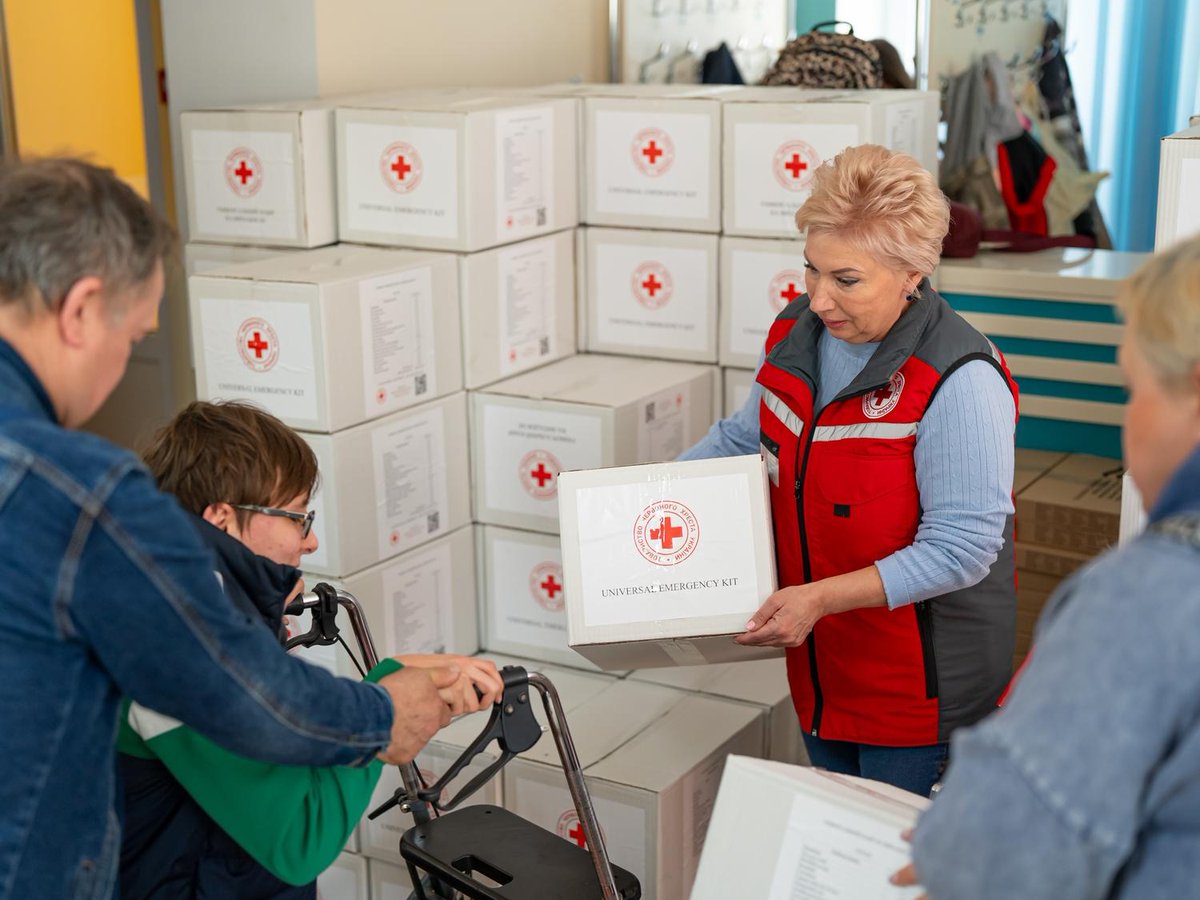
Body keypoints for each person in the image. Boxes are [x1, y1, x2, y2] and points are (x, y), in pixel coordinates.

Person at [0, 158, 456, 900]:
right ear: (81, 309)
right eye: (133, 336)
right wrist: (382, 713)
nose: (121, 368)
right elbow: (234, 689)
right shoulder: (77, 492)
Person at [682, 144, 1019, 796]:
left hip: (919, 695)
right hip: (821, 667)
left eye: (847, 280)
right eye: (811, 270)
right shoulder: (794, 336)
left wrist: (817, 599)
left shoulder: (960, 378)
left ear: (913, 273)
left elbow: (964, 549)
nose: (819, 299)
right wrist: (633, 506)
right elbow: (742, 439)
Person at [893, 236, 1200, 897]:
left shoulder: (1147, 598)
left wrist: (961, 839)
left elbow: (1003, 854)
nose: (1130, 420)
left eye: (1134, 388)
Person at [118, 400, 504, 898]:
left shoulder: (177, 599)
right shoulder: (178, 655)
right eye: (297, 517)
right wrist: (388, 713)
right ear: (221, 520)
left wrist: (382, 675)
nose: (312, 540)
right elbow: (301, 837)